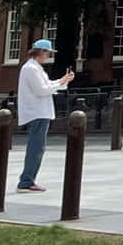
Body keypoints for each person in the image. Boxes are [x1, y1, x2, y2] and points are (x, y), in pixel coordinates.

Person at [15, 40, 74, 193]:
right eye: (48, 53)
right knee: (36, 148)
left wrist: (63, 81)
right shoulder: (31, 69)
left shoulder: (34, 68)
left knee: (37, 148)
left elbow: (46, 86)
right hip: (37, 113)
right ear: (41, 52)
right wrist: (61, 81)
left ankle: (27, 180)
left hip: (39, 112)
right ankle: (26, 182)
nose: (48, 56)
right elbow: (42, 90)